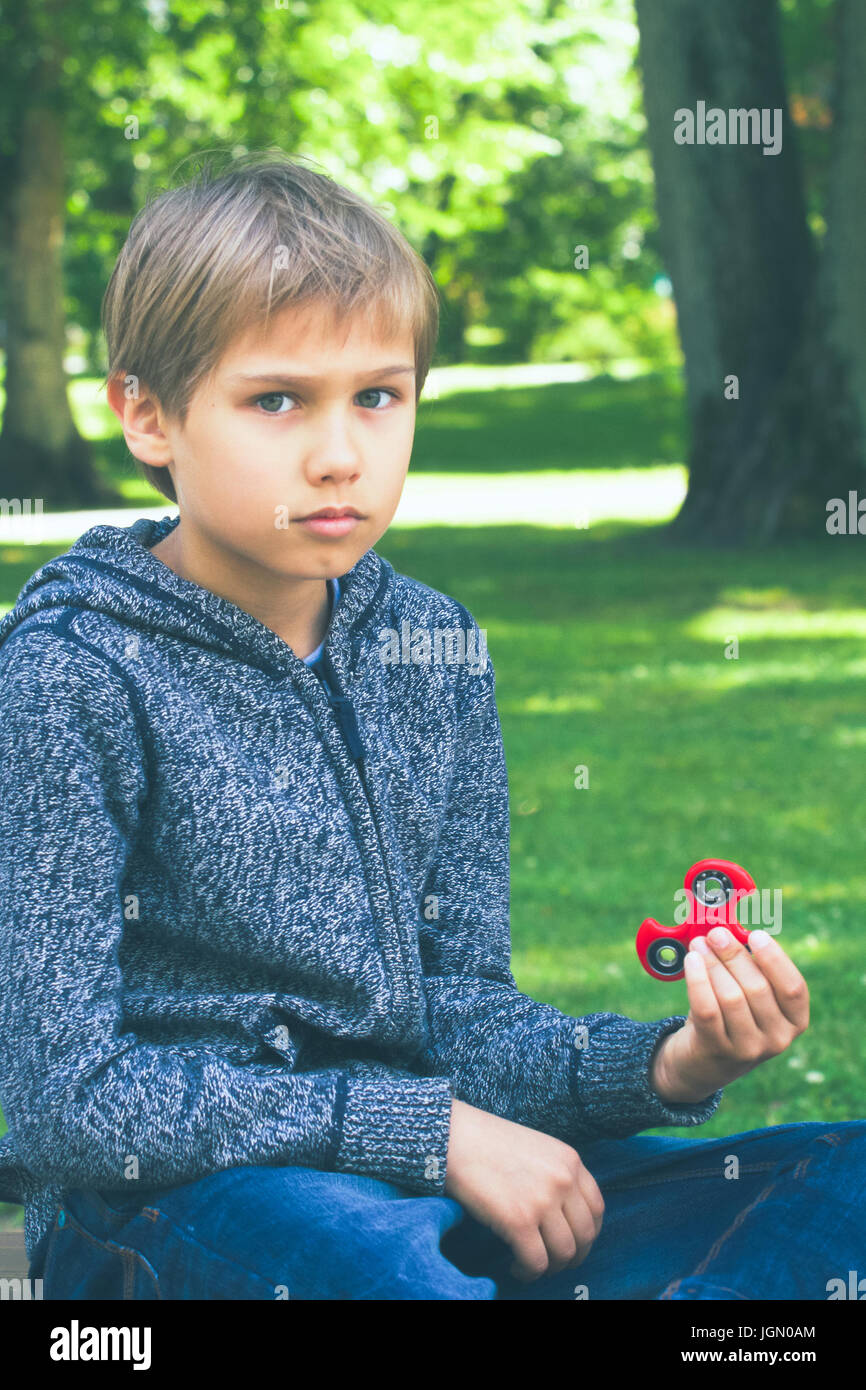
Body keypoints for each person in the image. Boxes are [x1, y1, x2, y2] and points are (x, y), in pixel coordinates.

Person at [0, 153, 862, 1301]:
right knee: (379, 1272)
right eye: (276, 400)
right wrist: (431, 1134)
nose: (340, 453)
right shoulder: (69, 677)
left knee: (836, 1188)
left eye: (378, 394)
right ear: (146, 414)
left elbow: (461, 1015)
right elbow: (67, 1102)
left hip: (431, 1174)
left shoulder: (431, 644)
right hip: (176, 1207)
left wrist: (669, 1060)